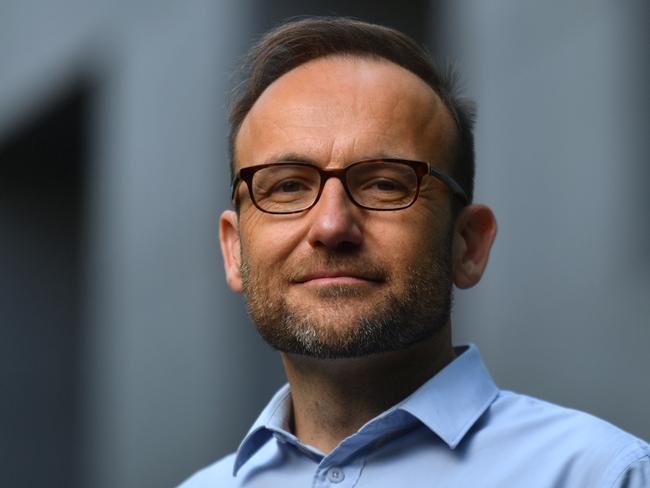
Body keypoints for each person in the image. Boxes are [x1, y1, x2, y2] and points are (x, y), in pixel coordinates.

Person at [180, 17, 649, 487]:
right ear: (234, 249)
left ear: (469, 243)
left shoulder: (602, 475)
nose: (331, 225)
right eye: (286, 187)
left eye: (385, 184)